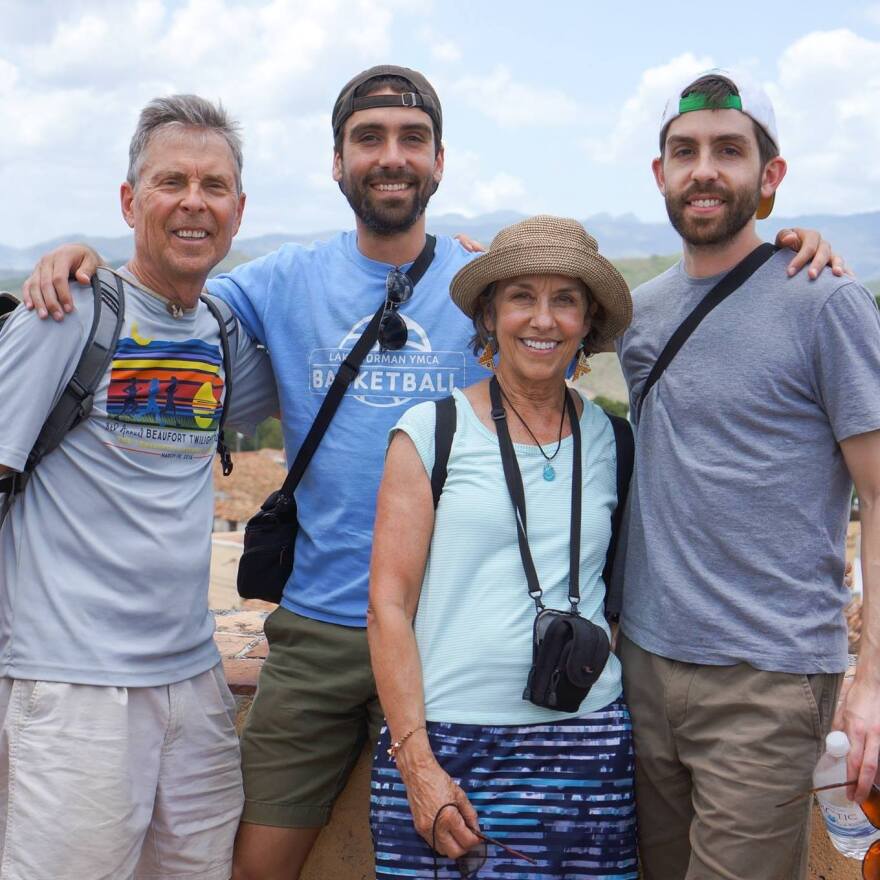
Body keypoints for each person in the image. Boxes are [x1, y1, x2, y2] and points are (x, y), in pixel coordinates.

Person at [19, 65, 841, 880]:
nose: (391, 156)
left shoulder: (477, 285)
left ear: (439, 163)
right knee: (253, 862)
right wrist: (83, 260)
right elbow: (171, 294)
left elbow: (579, 314)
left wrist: (780, 252)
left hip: (440, 647)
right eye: (367, 138)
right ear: (335, 162)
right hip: (315, 632)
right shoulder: (278, 281)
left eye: (413, 139)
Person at [0, 95, 278, 880]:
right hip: (73, 688)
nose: (195, 202)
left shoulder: (221, 333)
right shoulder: (65, 313)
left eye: (214, 185)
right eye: (172, 181)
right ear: (130, 200)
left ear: (239, 209)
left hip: (192, 684)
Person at [613, 69, 880, 880]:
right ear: (659, 174)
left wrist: (871, 681)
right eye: (684, 151)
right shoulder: (638, 314)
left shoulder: (824, 302)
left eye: (729, 150)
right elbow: (529, 323)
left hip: (768, 681)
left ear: (769, 176)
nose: (704, 169)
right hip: (645, 670)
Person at [368, 215, 638, 878]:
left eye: (564, 299)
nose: (542, 320)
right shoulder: (431, 431)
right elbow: (387, 606)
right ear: (490, 315)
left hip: (590, 748)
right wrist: (419, 766)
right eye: (521, 296)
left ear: (587, 319)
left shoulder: (613, 439)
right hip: (452, 752)